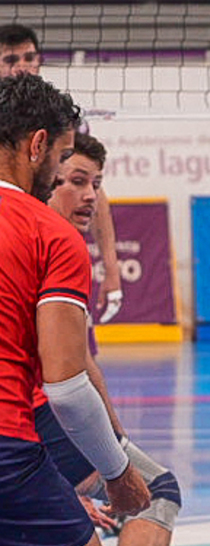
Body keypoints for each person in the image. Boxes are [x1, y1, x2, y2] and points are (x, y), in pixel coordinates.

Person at [0, 72, 151, 546]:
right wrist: (116, 474)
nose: (63, 174)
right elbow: (66, 384)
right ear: (38, 146)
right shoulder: (46, 231)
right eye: (63, 159)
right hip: (7, 451)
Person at [43, 131, 193, 546]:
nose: (89, 196)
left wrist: (115, 438)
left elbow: (82, 361)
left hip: (38, 416)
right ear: (44, 167)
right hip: (29, 420)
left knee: (149, 490)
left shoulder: (52, 234)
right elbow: (66, 373)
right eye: (76, 181)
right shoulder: (43, 238)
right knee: (153, 496)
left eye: (97, 185)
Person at [1, 23, 124, 325]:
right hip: (13, 248)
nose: (22, 67)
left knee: (70, 349)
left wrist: (112, 268)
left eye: (29, 57)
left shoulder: (64, 119)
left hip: (47, 250)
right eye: (10, 60)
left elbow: (95, 194)